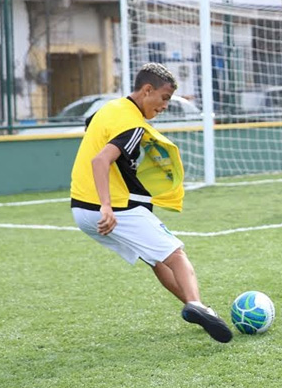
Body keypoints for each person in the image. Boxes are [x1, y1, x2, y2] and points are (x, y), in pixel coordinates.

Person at [70, 63, 233, 343]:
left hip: (80, 208)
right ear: (147, 90)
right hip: (111, 209)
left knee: (157, 260)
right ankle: (196, 304)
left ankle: (200, 309)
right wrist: (106, 205)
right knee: (176, 255)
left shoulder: (109, 108)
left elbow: (90, 126)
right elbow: (100, 160)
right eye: (164, 98)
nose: (165, 106)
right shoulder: (132, 124)